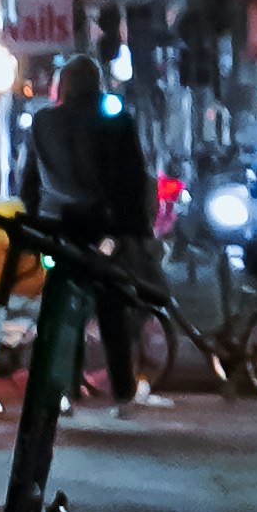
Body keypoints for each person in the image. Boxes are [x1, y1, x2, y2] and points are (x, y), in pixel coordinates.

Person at [18, 54, 158, 410]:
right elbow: (131, 179)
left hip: (57, 228)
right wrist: (135, 229)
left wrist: (35, 221)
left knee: (62, 308)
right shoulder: (115, 123)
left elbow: (29, 180)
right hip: (101, 228)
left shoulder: (43, 122)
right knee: (111, 308)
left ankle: (63, 388)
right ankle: (123, 389)